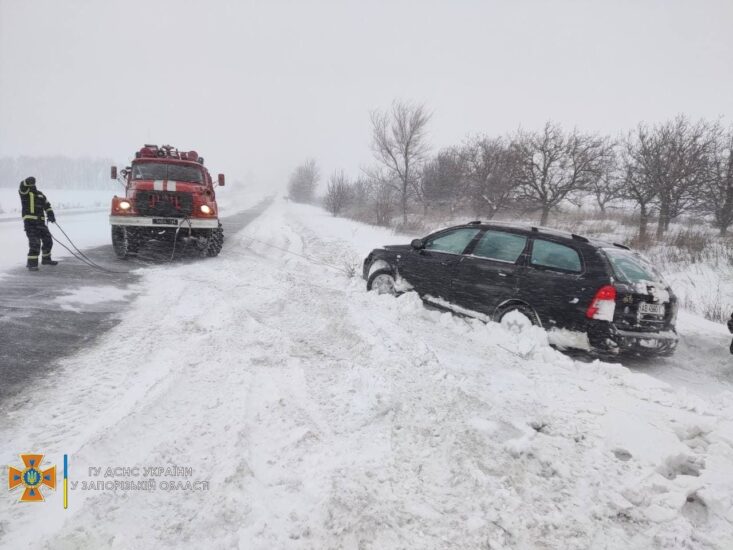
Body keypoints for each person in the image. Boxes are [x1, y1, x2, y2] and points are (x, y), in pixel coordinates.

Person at [18, 176, 58, 271]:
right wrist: (25, 181)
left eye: (33, 182)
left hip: (41, 222)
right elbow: (22, 187)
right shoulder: (25, 193)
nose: (32, 184)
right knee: (35, 243)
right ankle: (32, 265)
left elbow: (47, 205)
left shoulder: (40, 194)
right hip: (30, 224)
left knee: (48, 241)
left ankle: (46, 259)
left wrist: (50, 214)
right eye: (30, 182)